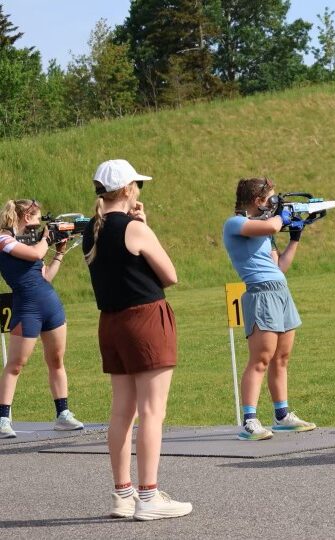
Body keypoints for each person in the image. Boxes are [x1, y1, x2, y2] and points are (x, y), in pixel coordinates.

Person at [81, 159, 192, 520]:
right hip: (144, 318)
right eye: (137, 186)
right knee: (151, 412)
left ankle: (123, 494)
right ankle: (148, 496)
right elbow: (170, 274)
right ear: (128, 189)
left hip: (111, 322)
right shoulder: (134, 229)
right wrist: (145, 228)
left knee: (122, 411)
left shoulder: (91, 230)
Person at [223, 177, 316, 441]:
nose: (275, 204)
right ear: (258, 201)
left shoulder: (265, 231)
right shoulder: (236, 224)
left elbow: (279, 268)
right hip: (261, 295)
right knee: (260, 360)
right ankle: (249, 420)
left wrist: (295, 238)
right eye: (272, 199)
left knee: (282, 359)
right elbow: (273, 224)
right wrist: (284, 215)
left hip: (281, 291)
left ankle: (282, 415)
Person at [0, 199, 84, 438]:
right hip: (27, 308)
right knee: (15, 365)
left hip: (50, 304)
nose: (38, 225)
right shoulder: (4, 240)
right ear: (26, 216)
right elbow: (37, 252)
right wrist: (47, 238)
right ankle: (3, 418)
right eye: (36, 218)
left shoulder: (32, 242)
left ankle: (63, 414)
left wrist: (59, 253)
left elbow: (45, 276)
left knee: (56, 361)